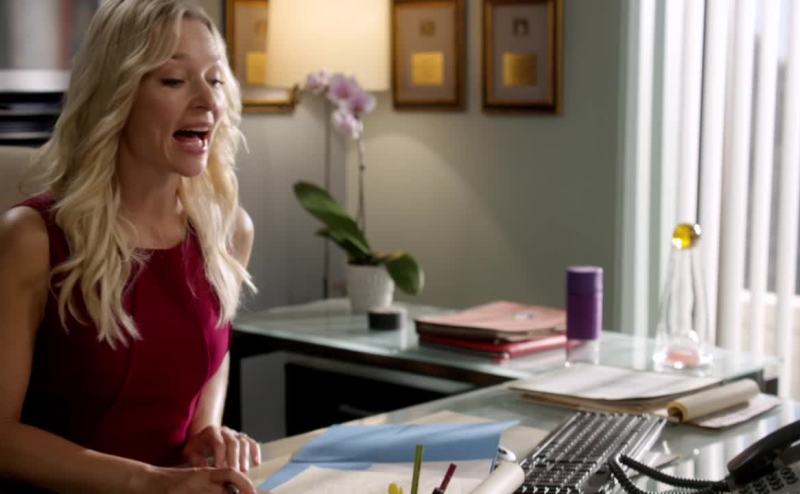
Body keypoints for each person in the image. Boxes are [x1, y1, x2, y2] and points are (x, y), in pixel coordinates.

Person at [0, 1, 261, 492]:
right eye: (174, 80)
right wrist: (150, 482)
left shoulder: (228, 233)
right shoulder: (31, 239)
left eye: (215, 79)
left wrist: (204, 432)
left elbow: (212, 353)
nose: (208, 100)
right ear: (117, 95)